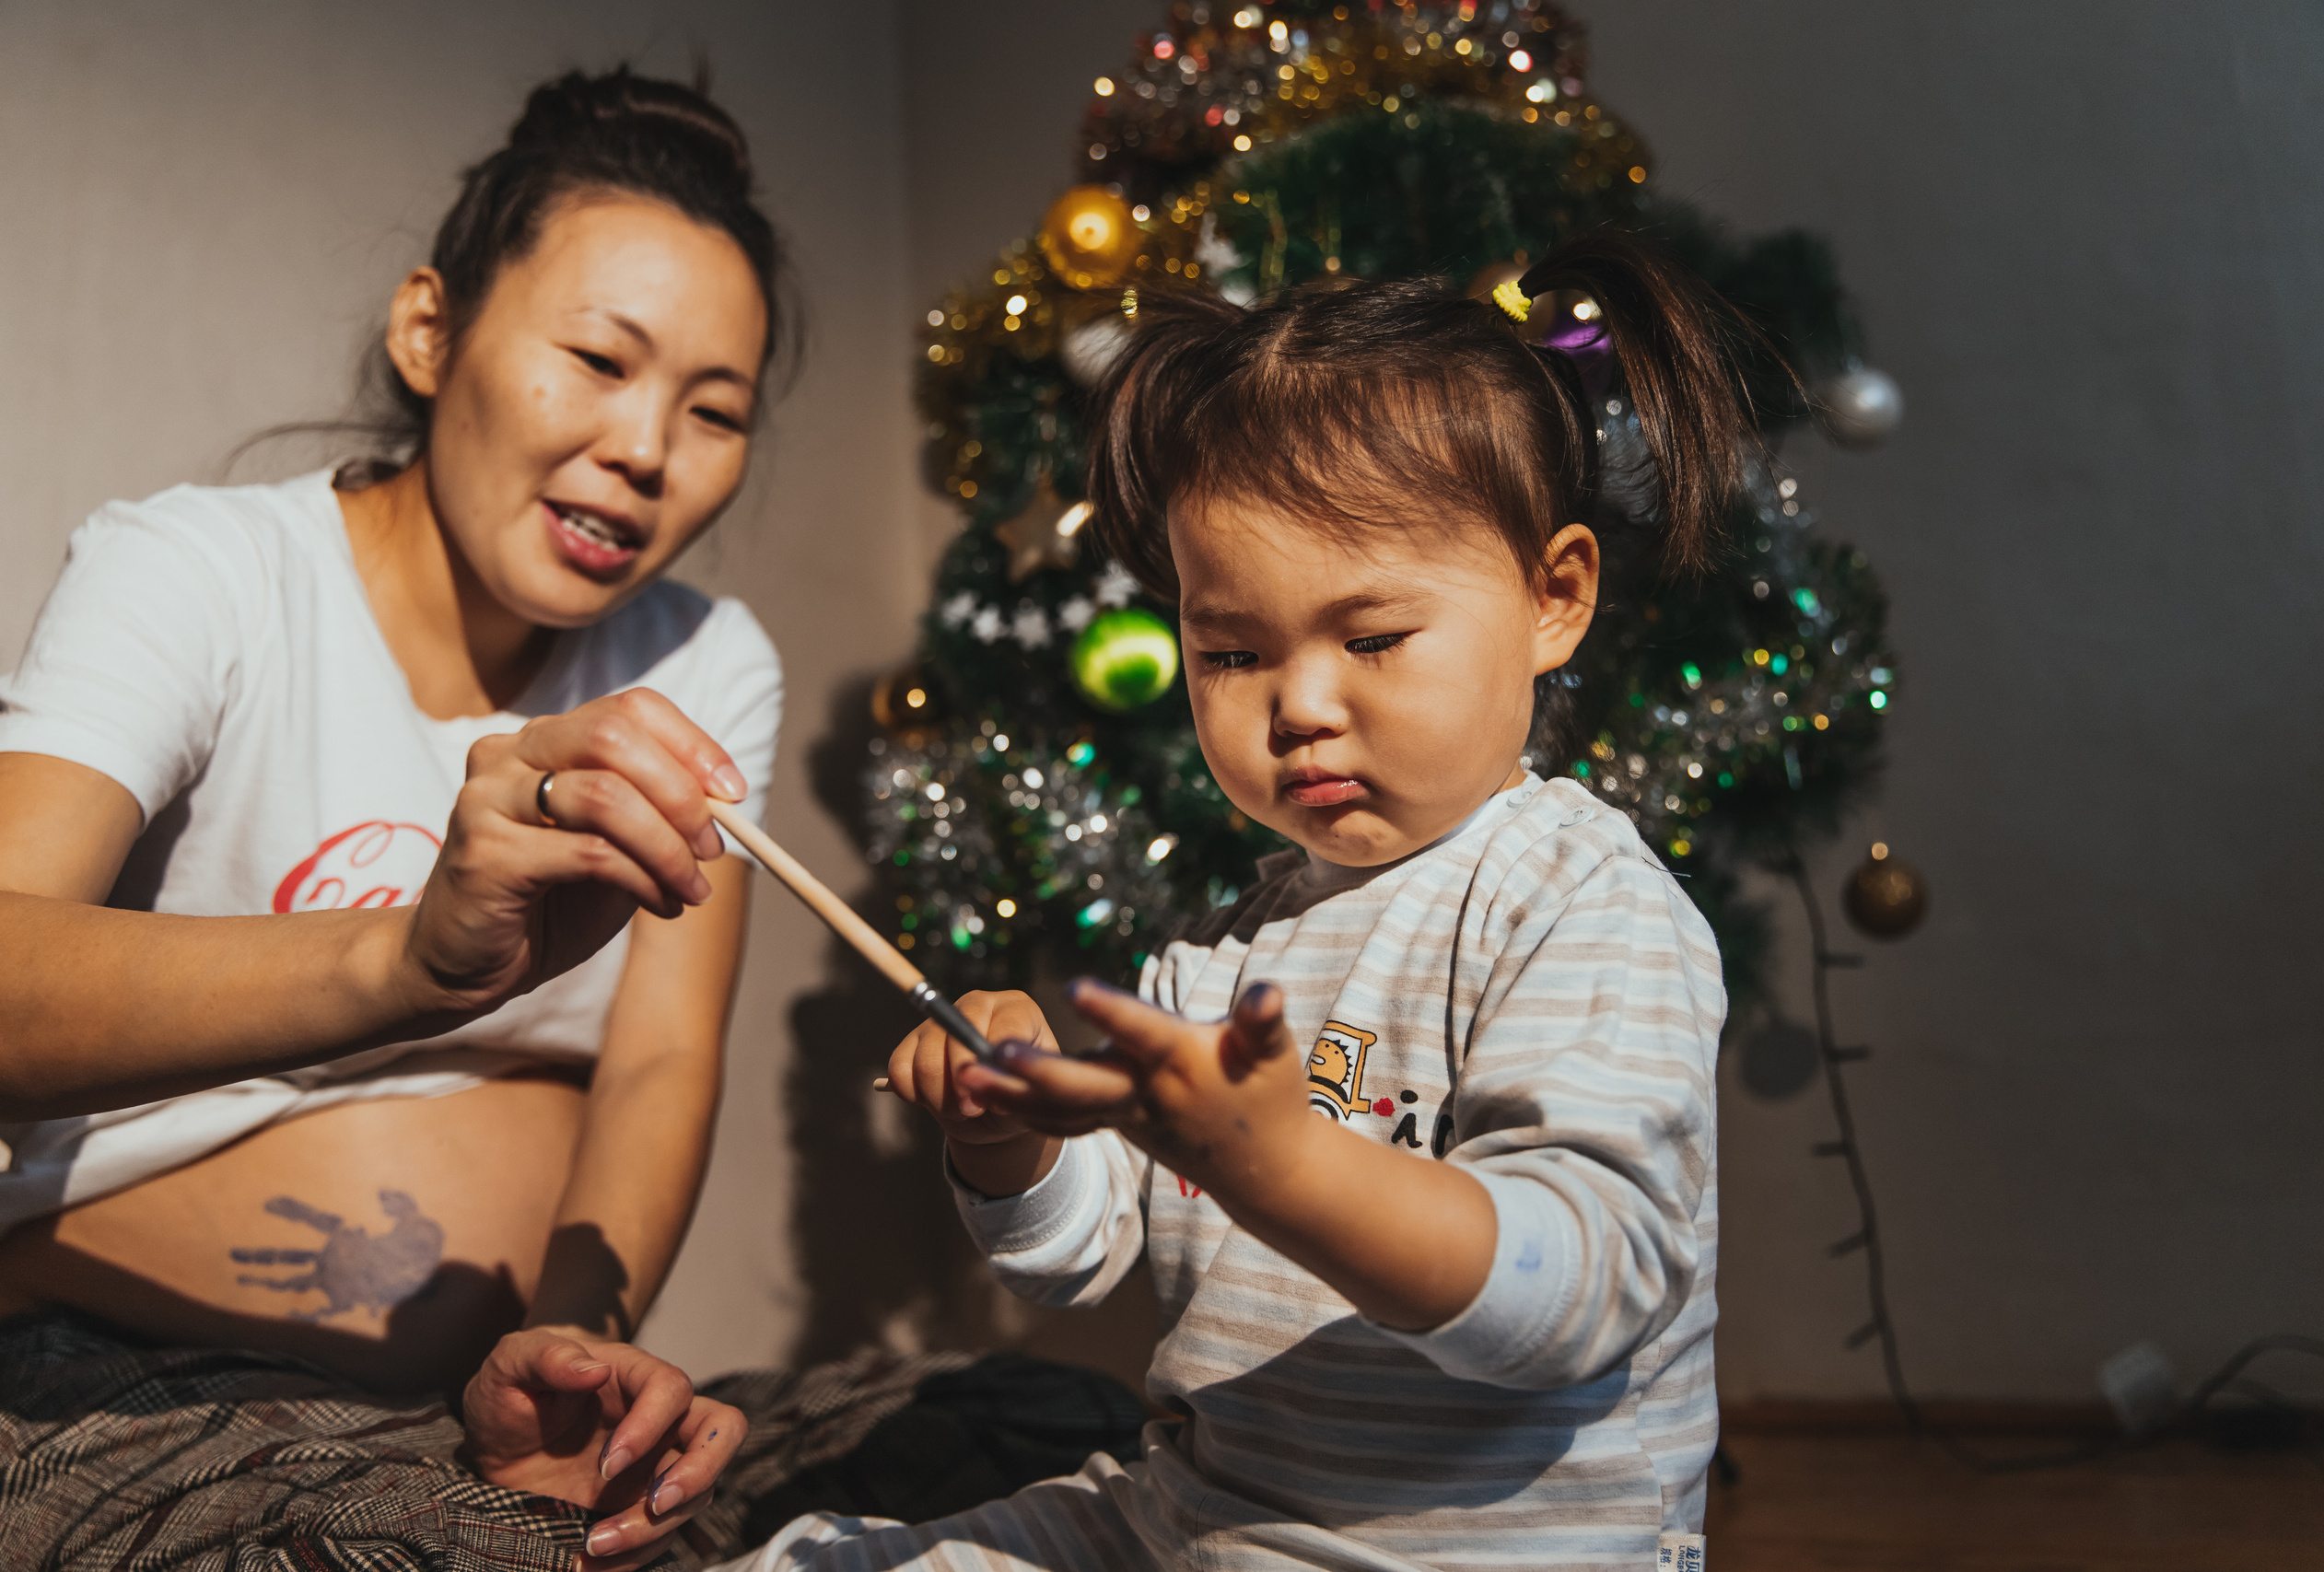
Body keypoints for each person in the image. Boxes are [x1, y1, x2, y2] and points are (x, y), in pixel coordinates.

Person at [724, 234, 1754, 1570]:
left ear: (1553, 598)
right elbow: (1080, 1250)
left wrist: (1290, 1164)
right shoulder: (1228, 943)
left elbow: (1574, 1292)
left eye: (1372, 638)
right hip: (1197, 1518)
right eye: (1232, 651)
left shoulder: (1581, 906)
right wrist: (1013, 1141)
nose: (1302, 707)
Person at [0, 65, 786, 1569]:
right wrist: (404, 965)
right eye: (598, 360)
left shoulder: (702, 660)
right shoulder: (201, 576)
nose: (644, 449)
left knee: (1007, 1428)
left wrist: (578, 1356)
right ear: (432, 331)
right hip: (102, 1376)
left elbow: (662, 1060)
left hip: (466, 1411)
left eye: (714, 411)